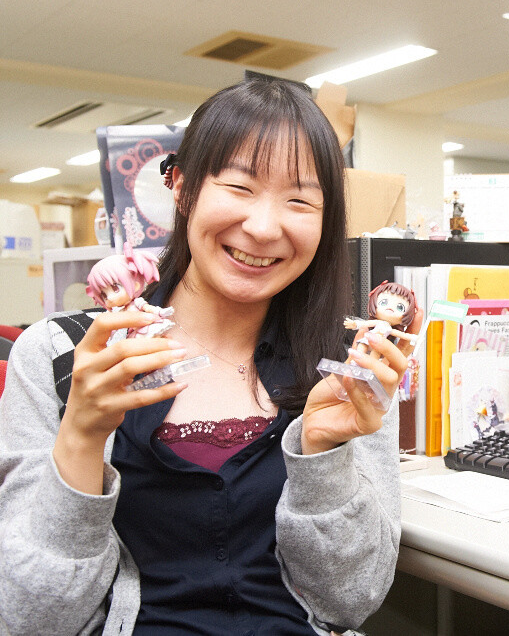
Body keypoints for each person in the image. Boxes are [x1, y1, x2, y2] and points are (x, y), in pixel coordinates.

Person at [0, 76, 420, 635]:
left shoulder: (346, 366)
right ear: (181, 186)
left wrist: (324, 454)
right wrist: (81, 437)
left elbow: (351, 601)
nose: (265, 227)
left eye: (300, 200)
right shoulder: (64, 355)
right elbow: (28, 618)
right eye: (240, 187)